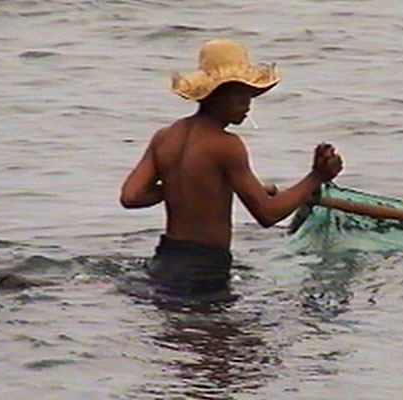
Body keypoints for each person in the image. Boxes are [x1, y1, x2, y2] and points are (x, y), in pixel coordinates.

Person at [120, 39, 343, 299]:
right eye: (239, 94)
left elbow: (132, 196)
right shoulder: (227, 145)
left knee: (176, 334)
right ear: (214, 95)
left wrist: (188, 184)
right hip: (204, 270)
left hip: (165, 261)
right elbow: (268, 214)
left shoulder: (165, 136)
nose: (247, 103)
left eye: (249, 94)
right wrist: (316, 177)